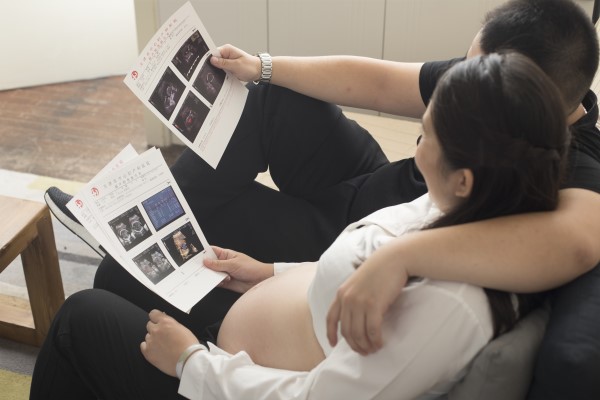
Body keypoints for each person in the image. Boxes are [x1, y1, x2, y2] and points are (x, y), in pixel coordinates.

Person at [43, 0, 600, 397]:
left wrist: (191, 362)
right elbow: (380, 84)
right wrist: (270, 274)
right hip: (330, 248)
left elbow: (322, 394)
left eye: (428, 133)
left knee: (87, 311)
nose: (416, 138)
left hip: (239, 367)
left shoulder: (457, 292)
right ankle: (131, 222)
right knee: (267, 101)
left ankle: (143, 236)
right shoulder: (458, 190)